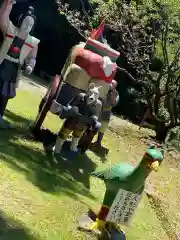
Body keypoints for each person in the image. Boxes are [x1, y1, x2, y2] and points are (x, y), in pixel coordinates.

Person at [0, 2, 39, 128]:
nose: (28, 25)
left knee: (5, 94)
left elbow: (32, 57)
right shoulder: (11, 29)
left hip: (13, 69)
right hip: (2, 62)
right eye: (26, 22)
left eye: (30, 23)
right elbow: (3, 19)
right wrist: (8, 4)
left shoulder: (33, 42)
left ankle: (0, 115)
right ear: (21, 20)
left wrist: (30, 65)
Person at [94, 79, 119, 147]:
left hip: (106, 113)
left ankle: (98, 143)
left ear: (115, 87)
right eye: (111, 83)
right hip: (97, 110)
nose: (111, 85)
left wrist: (113, 97)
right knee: (93, 125)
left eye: (113, 84)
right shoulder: (103, 88)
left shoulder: (116, 94)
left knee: (102, 129)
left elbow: (114, 103)